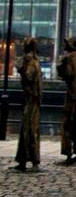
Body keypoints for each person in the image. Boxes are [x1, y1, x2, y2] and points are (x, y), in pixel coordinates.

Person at [11, 37, 42, 172]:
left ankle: (27, 160)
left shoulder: (29, 59)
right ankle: (26, 159)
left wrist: (20, 68)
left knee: (28, 129)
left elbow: (29, 76)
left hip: (31, 99)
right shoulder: (35, 59)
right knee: (29, 129)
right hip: (33, 99)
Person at [57, 36, 76, 165]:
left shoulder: (68, 58)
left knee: (67, 124)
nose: (64, 46)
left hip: (71, 93)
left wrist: (60, 66)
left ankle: (68, 153)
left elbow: (67, 74)